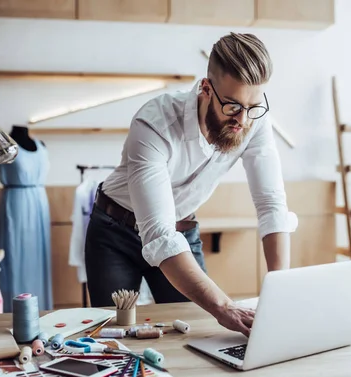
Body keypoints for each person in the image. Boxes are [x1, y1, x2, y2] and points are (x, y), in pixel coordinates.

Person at [84, 32, 296, 336]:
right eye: (233, 106)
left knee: (195, 331)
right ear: (206, 89)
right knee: (117, 337)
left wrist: (281, 291)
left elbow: (271, 204)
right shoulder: (154, 124)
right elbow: (158, 234)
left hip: (181, 230)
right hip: (115, 232)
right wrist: (224, 305)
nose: (243, 121)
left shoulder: (253, 119)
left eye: (253, 107)